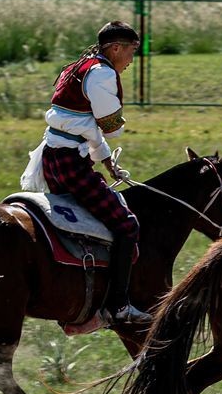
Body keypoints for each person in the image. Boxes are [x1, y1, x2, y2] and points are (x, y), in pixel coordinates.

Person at [20, 20, 152, 326]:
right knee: (126, 225)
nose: (132, 59)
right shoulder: (103, 73)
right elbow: (110, 126)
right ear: (116, 48)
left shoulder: (80, 66)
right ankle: (118, 306)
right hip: (71, 164)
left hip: (55, 158)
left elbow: (81, 126)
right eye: (132, 51)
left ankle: (78, 298)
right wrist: (117, 128)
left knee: (82, 225)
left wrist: (105, 161)